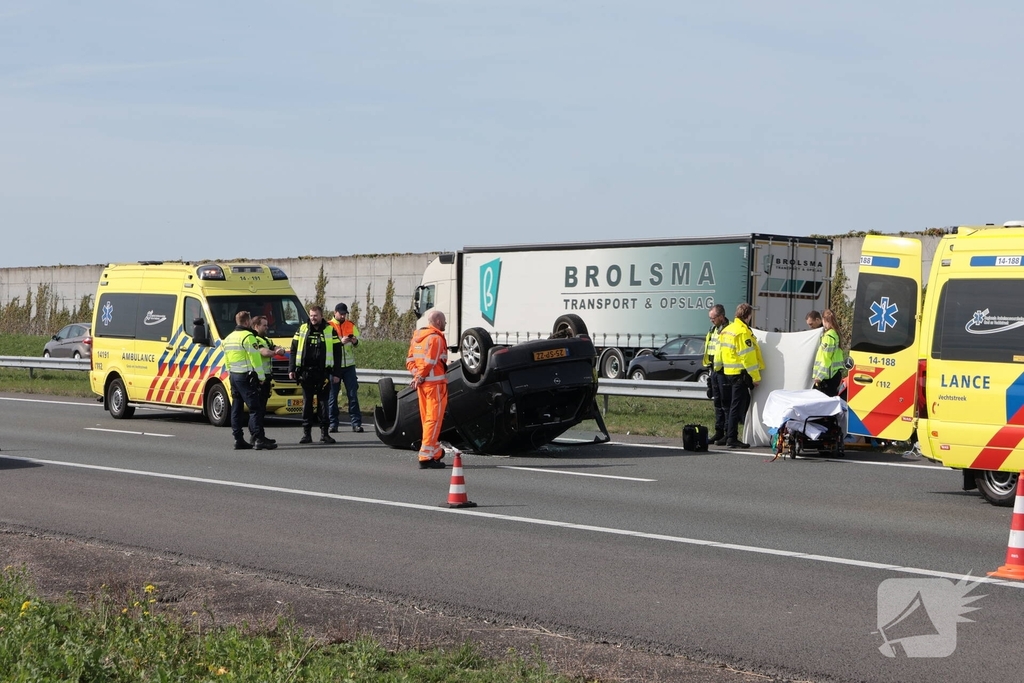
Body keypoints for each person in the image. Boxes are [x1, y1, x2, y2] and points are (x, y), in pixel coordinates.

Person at [223, 311, 276, 451]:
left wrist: (230, 374)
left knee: (237, 407)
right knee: (256, 407)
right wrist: (261, 377)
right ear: (247, 322)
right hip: (246, 376)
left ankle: (238, 439)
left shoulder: (228, 338)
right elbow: (255, 359)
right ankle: (259, 439)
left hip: (234, 375)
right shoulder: (248, 337)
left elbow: (227, 359)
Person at [289, 305, 342, 444]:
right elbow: (293, 350)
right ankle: (306, 434)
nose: (313, 318)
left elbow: (338, 353)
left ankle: (324, 434)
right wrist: (291, 369)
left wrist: (337, 373)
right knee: (307, 404)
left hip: (323, 374)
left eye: (315, 315)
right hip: (306, 373)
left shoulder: (330, 330)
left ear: (321, 316)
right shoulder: (302, 329)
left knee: (324, 405)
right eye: (311, 315)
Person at [406, 309, 449, 469]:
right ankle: (425, 456)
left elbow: (410, 360)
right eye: (444, 321)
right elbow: (430, 362)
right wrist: (420, 376)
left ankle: (435, 451)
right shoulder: (435, 338)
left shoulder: (417, 338)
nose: (445, 323)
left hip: (424, 385)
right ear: (438, 322)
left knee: (427, 420)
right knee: (434, 420)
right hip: (435, 386)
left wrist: (417, 375)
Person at [717, 303, 761, 449]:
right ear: (748, 316)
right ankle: (732, 438)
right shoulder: (742, 332)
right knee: (736, 406)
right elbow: (747, 358)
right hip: (739, 375)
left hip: (727, 373)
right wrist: (755, 377)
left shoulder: (727, 330)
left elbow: (719, 353)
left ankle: (729, 435)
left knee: (731, 406)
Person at [327, 303, 363, 433]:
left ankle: (356, 423)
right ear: (335, 312)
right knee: (332, 397)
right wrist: (339, 342)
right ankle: (332, 424)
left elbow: (359, 342)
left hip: (349, 366)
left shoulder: (350, 325)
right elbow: (325, 344)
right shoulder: (328, 326)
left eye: (344, 314)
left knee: (353, 395)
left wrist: (355, 341)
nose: (343, 316)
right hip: (334, 366)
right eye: (341, 313)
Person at [252, 315, 288, 443]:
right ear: (256, 326)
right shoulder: (254, 339)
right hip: (258, 379)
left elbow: (275, 347)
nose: (267, 327)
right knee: (258, 409)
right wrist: (276, 352)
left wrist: (279, 349)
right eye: (264, 325)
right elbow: (264, 352)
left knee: (262, 410)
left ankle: (258, 435)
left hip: (266, 378)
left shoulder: (266, 339)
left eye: (267, 325)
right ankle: (257, 436)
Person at [703, 304, 729, 445]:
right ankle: (718, 432)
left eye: (713, 318)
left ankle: (726, 433)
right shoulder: (713, 329)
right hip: (714, 370)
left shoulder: (728, 330)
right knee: (717, 403)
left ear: (721, 316)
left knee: (725, 404)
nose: (711, 321)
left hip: (725, 371)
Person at [812, 309, 846, 397]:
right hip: (834, 376)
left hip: (827, 379)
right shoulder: (835, 334)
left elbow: (826, 359)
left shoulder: (829, 337)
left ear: (823, 320)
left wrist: (819, 377)